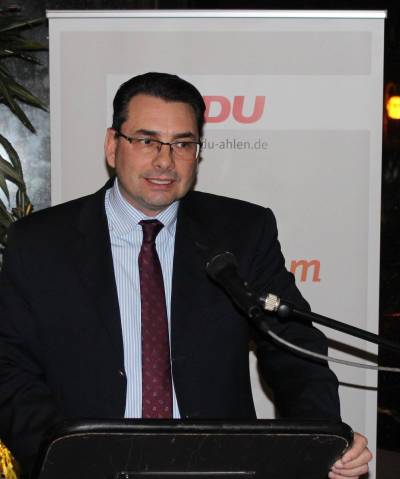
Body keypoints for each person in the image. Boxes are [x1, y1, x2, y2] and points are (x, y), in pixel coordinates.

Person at [0, 72, 371, 478]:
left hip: (219, 468)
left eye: (182, 144)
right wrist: (67, 458)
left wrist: (322, 438)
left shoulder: (242, 233)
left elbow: (294, 350)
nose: (165, 161)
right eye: (147, 141)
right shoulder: (40, 243)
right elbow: (10, 367)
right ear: (112, 145)